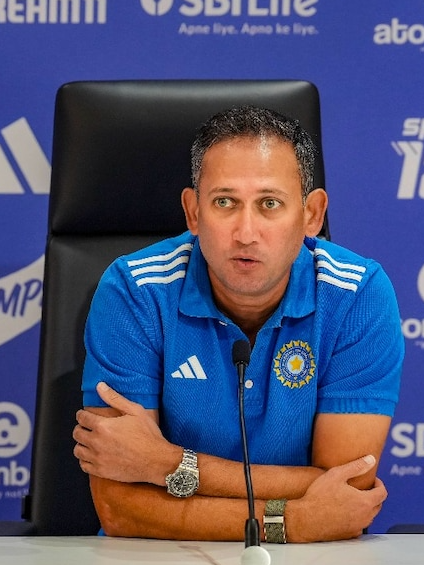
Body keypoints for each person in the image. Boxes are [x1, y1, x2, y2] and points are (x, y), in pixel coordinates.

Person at [72, 105, 403, 543]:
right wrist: (291, 522)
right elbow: (119, 508)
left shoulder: (358, 295)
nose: (246, 232)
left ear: (312, 215)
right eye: (224, 202)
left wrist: (169, 464)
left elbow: (348, 487)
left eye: (270, 204)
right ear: (193, 212)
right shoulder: (133, 290)